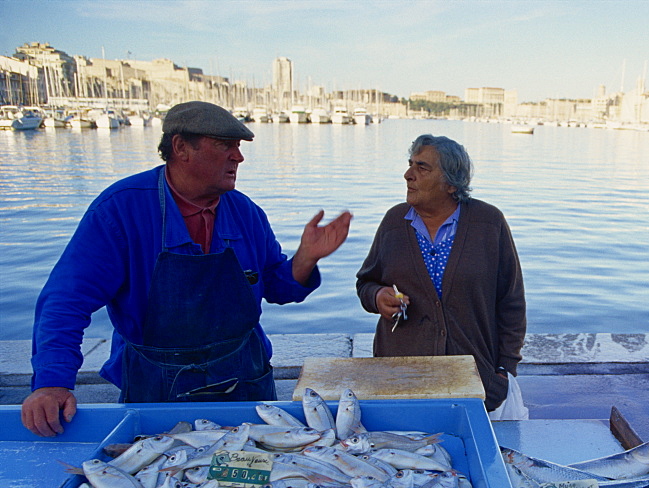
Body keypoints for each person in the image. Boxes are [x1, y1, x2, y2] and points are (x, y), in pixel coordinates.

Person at [22, 100, 352, 437]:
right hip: (156, 387)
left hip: (244, 378)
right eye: (225, 146)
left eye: (238, 147)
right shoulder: (120, 210)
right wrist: (51, 383)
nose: (238, 157)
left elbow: (278, 287)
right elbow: (65, 302)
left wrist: (306, 258)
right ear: (181, 147)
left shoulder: (246, 212)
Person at [356, 134, 526, 413]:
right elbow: (366, 283)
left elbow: (511, 302)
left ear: (451, 182)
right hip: (402, 377)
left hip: (473, 378)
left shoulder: (488, 223)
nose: (408, 175)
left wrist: (504, 370)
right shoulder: (393, 223)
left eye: (422, 168)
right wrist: (378, 297)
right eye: (410, 165)